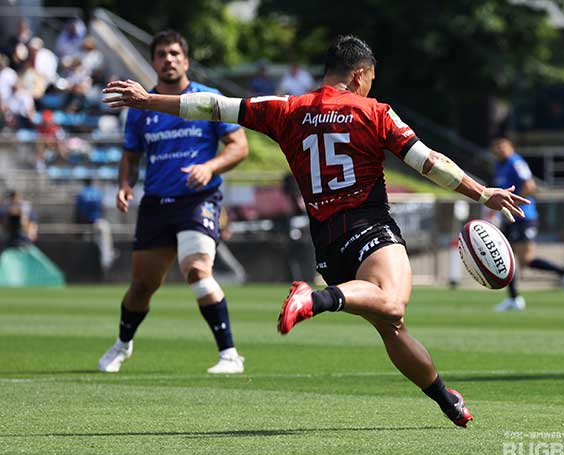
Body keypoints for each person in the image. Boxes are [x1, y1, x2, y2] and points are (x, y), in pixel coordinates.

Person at [104, 34, 529, 427]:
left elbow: (216, 106)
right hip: (369, 225)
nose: (370, 88)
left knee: (390, 325)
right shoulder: (374, 111)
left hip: (327, 244)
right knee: (394, 304)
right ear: (360, 75)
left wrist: (147, 100)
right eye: (370, 81)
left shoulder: (287, 108)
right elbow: (428, 161)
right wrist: (481, 192)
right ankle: (317, 298)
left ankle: (443, 397)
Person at [97, 30, 249, 374]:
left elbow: (239, 146)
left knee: (196, 269)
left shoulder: (208, 99)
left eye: (175, 53)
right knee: (142, 286)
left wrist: (209, 167)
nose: (169, 59)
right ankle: (123, 344)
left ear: (186, 60)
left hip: (198, 199)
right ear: (153, 61)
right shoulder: (140, 107)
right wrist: (124, 184)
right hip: (156, 203)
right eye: (162, 54)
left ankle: (229, 355)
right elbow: (131, 155)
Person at [488, 138, 564, 312]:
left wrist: (513, 204)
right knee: (505, 258)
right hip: (509, 217)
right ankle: (514, 298)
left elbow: (530, 186)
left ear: (511, 147)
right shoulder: (498, 166)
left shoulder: (516, 162)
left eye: (503, 146)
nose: (500, 150)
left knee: (525, 260)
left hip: (523, 216)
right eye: (497, 147)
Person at [75, 178, 115, 273]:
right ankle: (107, 261)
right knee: (104, 234)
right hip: (96, 222)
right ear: (92, 182)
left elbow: (78, 211)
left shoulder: (81, 193)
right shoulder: (97, 192)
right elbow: (101, 208)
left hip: (85, 223)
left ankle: (107, 259)